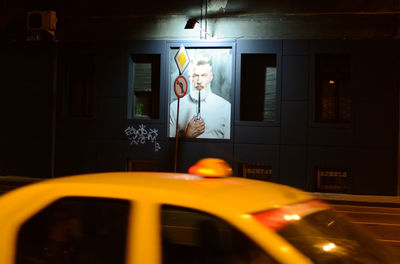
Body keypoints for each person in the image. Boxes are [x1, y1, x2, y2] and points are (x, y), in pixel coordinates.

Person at [170, 54, 231, 139]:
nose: (199, 81)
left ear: (211, 76)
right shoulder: (175, 107)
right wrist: (186, 136)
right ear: (190, 77)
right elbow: (168, 145)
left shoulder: (226, 108)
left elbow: (230, 147)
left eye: (204, 75)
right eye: (195, 76)